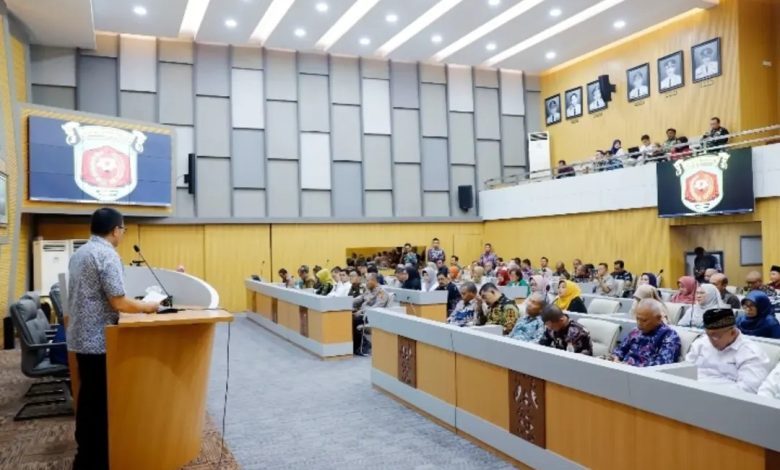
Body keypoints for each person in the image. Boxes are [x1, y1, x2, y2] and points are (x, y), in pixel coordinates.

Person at [68, 208, 161, 470]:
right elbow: (118, 301)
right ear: (115, 230)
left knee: (88, 399)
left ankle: (85, 456)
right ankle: (95, 460)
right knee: (98, 404)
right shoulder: (107, 255)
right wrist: (148, 307)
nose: (123, 234)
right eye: (123, 229)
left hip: (81, 337)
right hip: (99, 340)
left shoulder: (80, 253)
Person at [685, 309, 769, 393]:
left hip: (724, 397)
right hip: (690, 391)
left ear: (733, 332)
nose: (710, 340)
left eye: (715, 336)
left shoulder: (750, 353)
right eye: (708, 335)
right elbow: (685, 370)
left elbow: (748, 390)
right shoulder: (700, 344)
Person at [607, 299, 681, 366]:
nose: (639, 323)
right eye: (637, 319)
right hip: (622, 369)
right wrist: (615, 358)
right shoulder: (635, 331)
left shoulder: (669, 335)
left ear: (658, 319)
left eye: (644, 320)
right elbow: (619, 350)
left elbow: (662, 364)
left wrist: (627, 365)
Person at [352, 273, 389, 355]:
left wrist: (361, 311)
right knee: (347, 319)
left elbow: (377, 307)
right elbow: (359, 299)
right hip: (363, 314)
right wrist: (346, 301)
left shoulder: (382, 292)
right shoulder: (368, 290)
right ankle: (358, 344)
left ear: (374, 281)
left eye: (367, 281)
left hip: (372, 317)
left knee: (352, 322)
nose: (366, 283)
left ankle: (365, 344)